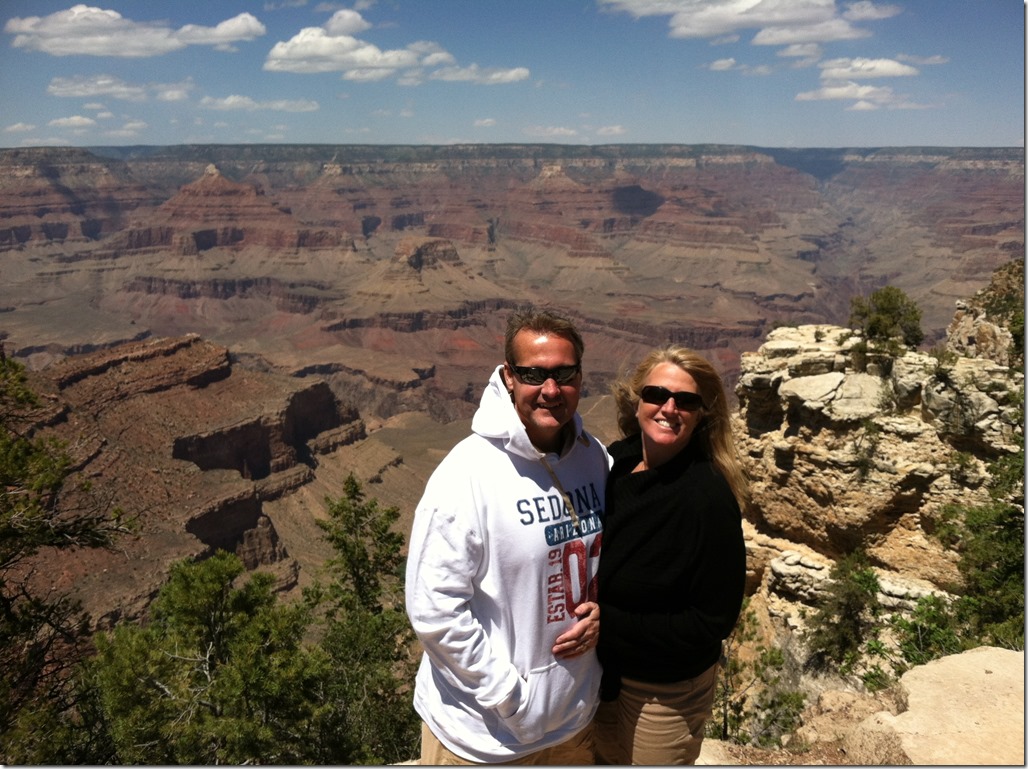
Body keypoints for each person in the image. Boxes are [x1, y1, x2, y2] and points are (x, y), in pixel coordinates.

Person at [405, 308, 610, 765]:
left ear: (580, 376)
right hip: (483, 741)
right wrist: (510, 698)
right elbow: (434, 611)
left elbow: (610, 557)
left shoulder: (593, 458)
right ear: (508, 377)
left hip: (574, 724)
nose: (551, 389)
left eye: (564, 373)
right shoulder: (467, 474)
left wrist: (607, 612)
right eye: (534, 374)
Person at [593, 345, 749, 765]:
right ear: (637, 400)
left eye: (686, 401)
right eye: (656, 394)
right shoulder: (615, 464)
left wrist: (607, 623)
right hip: (602, 673)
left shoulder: (706, 497)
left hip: (664, 692)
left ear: (702, 415)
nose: (669, 408)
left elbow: (711, 620)